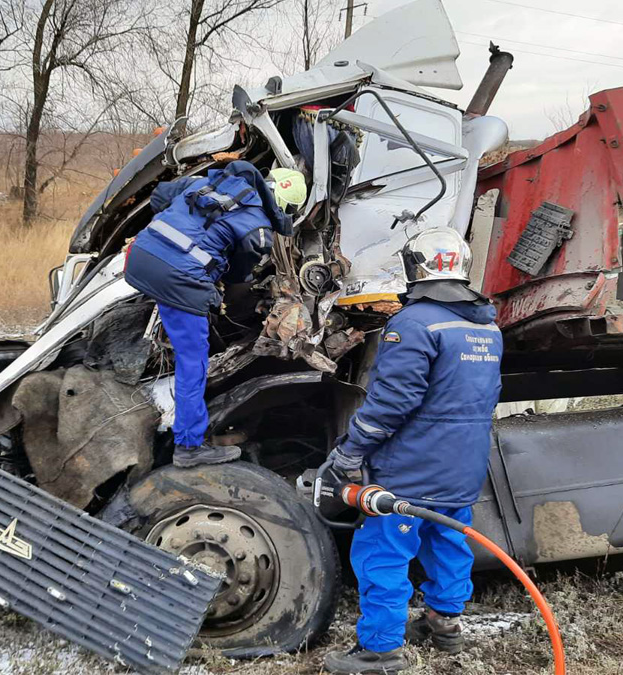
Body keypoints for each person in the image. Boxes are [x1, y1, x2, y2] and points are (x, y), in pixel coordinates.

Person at [322, 227, 503, 675]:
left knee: (383, 550)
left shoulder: (414, 323)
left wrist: (351, 450)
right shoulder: (486, 327)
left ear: (415, 268)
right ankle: (444, 625)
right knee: (448, 538)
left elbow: (391, 401)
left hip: (413, 465)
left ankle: (380, 651)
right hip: (463, 463)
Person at [124, 161, 306, 468]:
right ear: (286, 208)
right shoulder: (259, 231)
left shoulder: (208, 184)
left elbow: (159, 197)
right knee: (192, 361)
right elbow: (238, 277)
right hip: (178, 279)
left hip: (140, 258)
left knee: (178, 320)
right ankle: (189, 448)